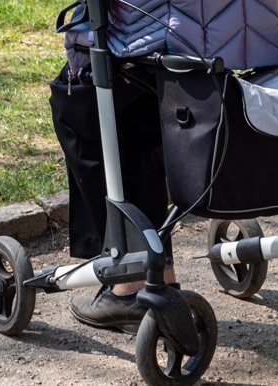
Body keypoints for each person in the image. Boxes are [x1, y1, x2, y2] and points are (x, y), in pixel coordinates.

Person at [49, 62, 176, 334]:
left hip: (123, 56)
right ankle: (162, 277)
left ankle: (126, 287)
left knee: (74, 106)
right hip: (176, 62)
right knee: (142, 119)